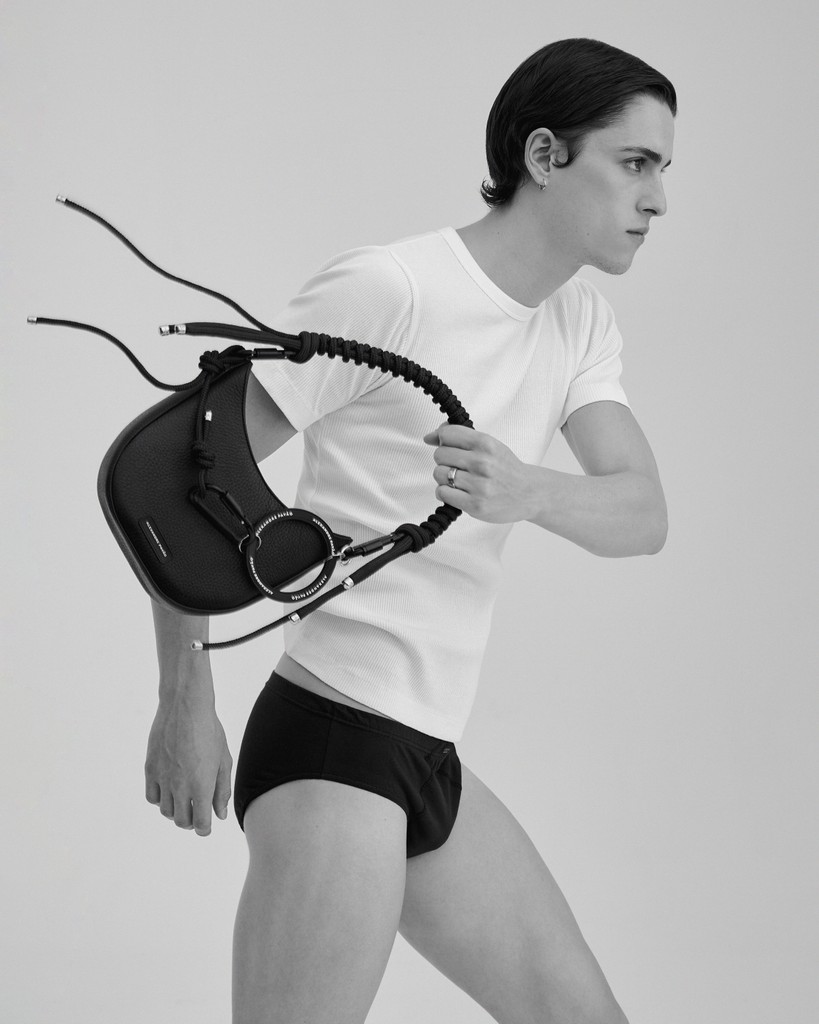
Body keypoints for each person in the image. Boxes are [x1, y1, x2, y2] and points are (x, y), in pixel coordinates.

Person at [147, 37, 675, 1024]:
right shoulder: (393, 289)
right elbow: (183, 472)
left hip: (427, 751)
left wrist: (528, 491)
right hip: (332, 740)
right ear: (546, 155)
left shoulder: (578, 325)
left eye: (662, 169)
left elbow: (642, 513)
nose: (657, 198)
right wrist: (186, 697)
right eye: (635, 163)